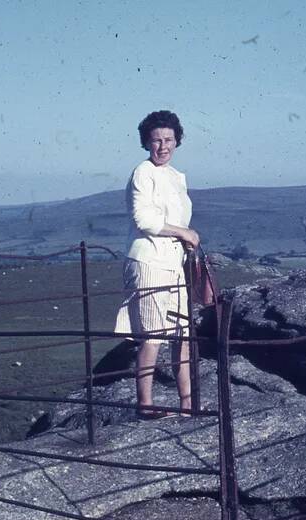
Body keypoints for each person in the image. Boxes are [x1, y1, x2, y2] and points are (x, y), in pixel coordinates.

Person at [114, 110, 199, 420]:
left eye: (169, 140)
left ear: (177, 141)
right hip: (148, 260)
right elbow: (144, 220)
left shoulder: (176, 177)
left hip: (173, 263)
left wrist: (187, 236)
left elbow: (179, 219)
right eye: (156, 140)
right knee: (153, 335)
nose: (163, 147)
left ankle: (187, 405)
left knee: (182, 334)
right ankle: (146, 405)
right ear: (146, 143)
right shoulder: (143, 172)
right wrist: (181, 232)